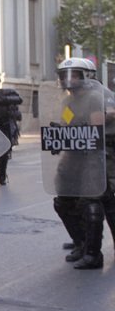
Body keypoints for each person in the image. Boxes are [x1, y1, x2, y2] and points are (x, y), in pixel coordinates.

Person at [50, 58, 106, 269]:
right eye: (65, 75)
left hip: (91, 155)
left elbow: (96, 128)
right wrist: (57, 137)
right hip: (72, 155)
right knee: (63, 200)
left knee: (90, 203)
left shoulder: (93, 97)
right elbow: (67, 124)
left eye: (74, 74)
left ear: (86, 76)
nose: (68, 79)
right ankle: (81, 243)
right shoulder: (67, 102)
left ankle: (93, 253)